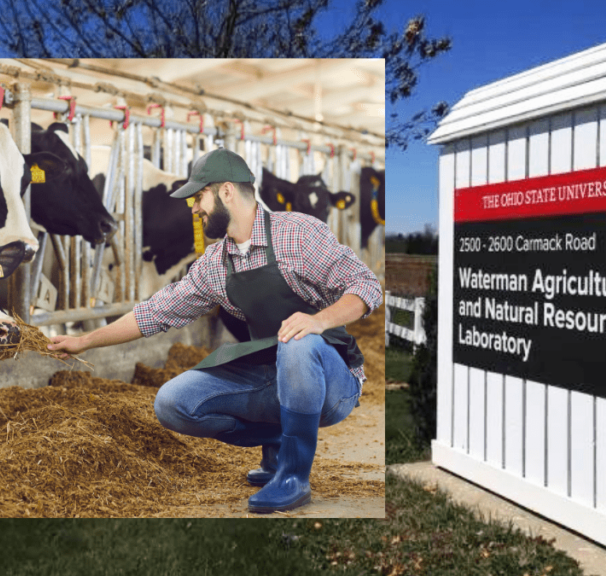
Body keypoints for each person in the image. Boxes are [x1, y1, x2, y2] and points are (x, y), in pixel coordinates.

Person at [47, 147, 382, 514]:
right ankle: (276, 436)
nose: (193, 208)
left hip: (331, 382)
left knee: (298, 343)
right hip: (271, 375)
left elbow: (365, 285)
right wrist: (85, 340)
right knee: (173, 403)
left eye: (198, 197)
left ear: (225, 192)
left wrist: (318, 321)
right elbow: (154, 312)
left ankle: (292, 476)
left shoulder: (298, 234)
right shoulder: (215, 263)